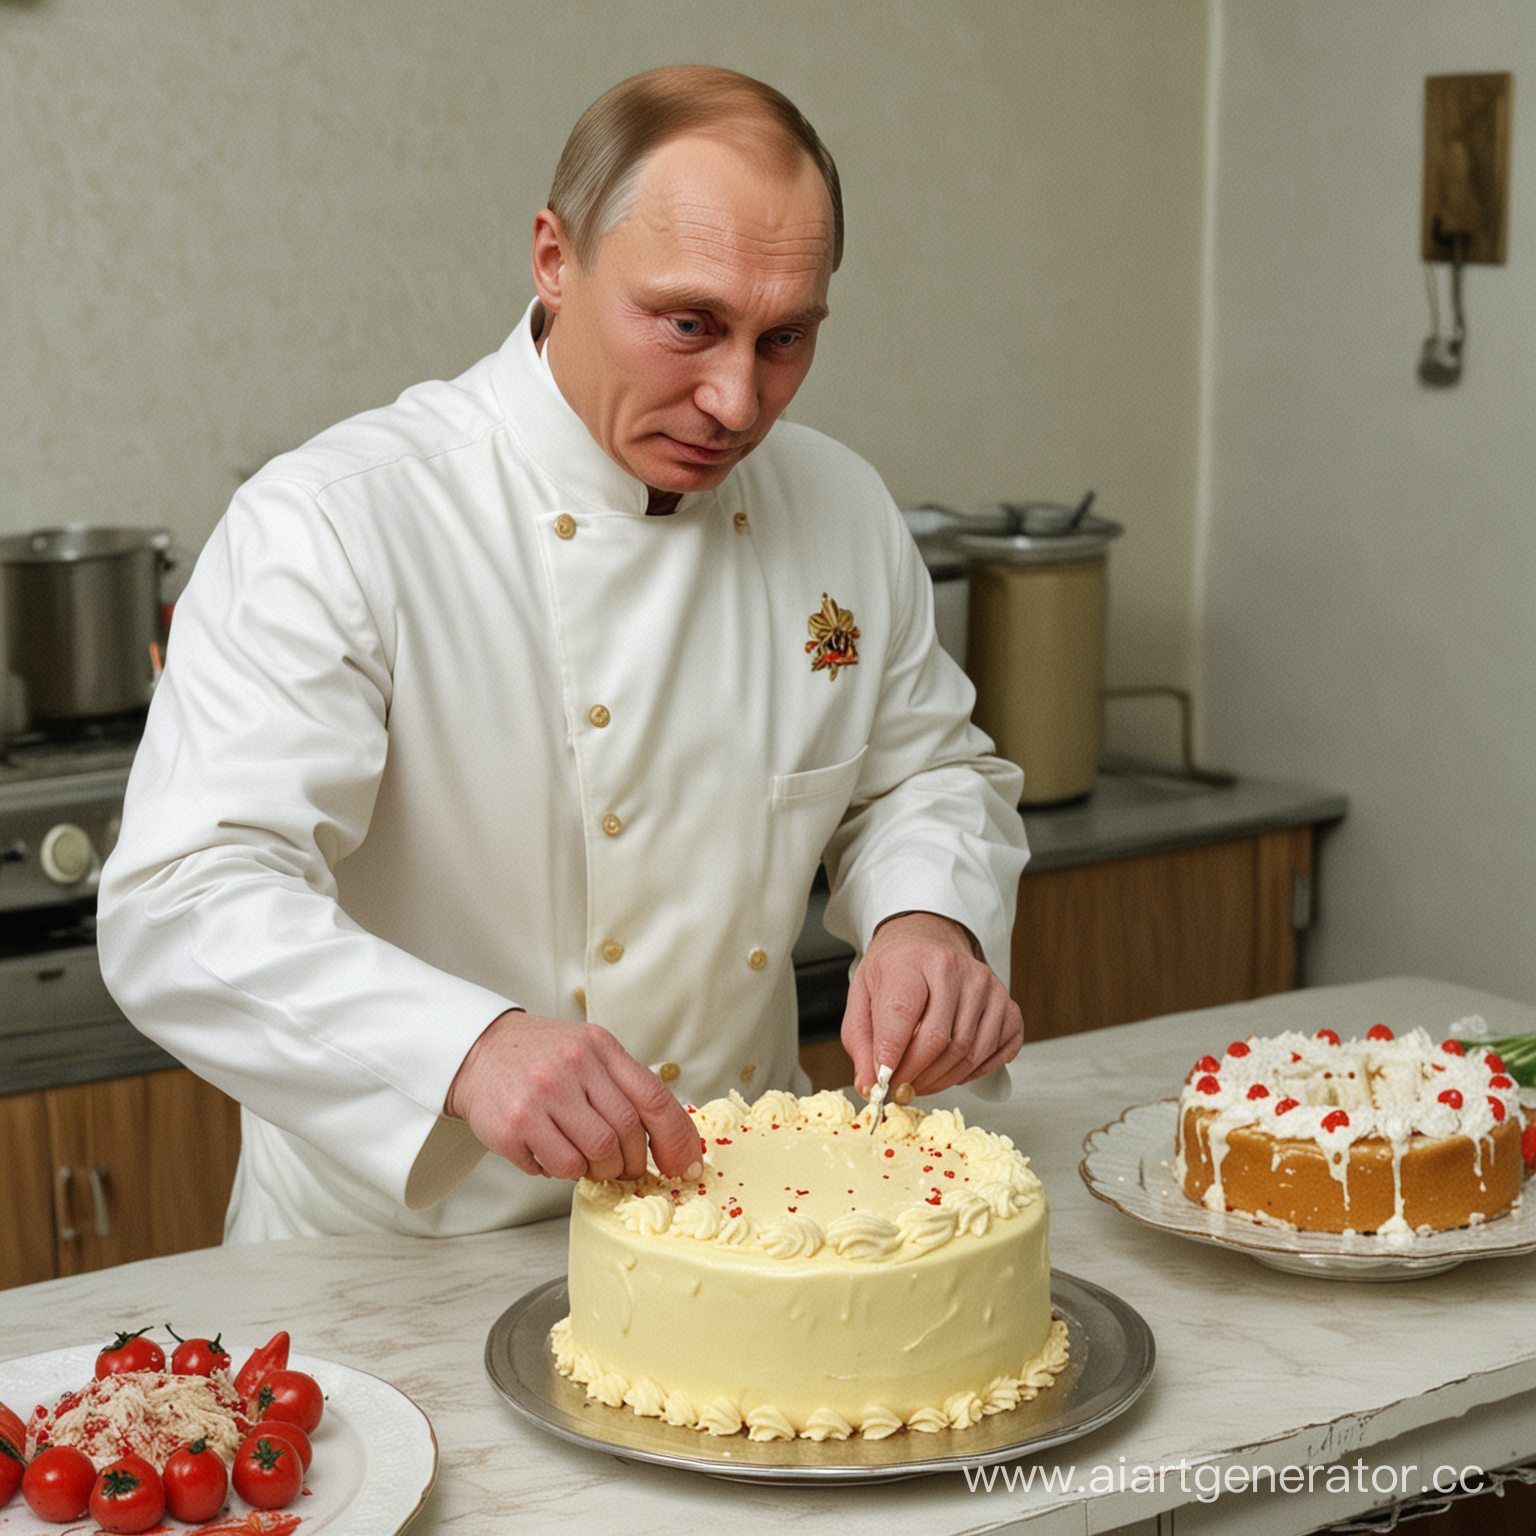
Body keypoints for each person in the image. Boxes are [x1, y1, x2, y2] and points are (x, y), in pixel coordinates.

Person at [97, 64, 1030, 1242]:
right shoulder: (337, 523)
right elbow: (181, 901)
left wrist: (926, 922)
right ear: (553, 257)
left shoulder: (841, 506)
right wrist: (467, 1048)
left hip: (739, 1226)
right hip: (399, 1264)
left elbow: (922, 777)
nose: (738, 401)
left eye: (785, 338)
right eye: (688, 324)